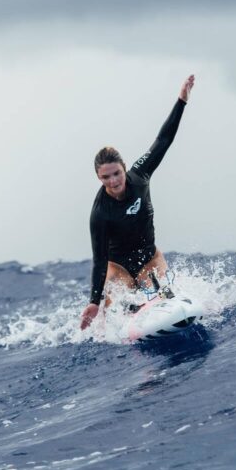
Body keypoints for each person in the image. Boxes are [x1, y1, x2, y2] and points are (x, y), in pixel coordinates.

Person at [80, 74, 195, 330]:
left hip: (149, 258)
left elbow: (163, 140)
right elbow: (99, 259)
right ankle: (113, 328)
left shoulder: (140, 176)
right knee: (118, 305)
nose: (113, 181)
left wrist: (181, 102)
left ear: (124, 168)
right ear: (98, 178)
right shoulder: (100, 214)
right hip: (118, 266)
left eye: (116, 173)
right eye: (105, 177)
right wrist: (93, 301)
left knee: (160, 293)